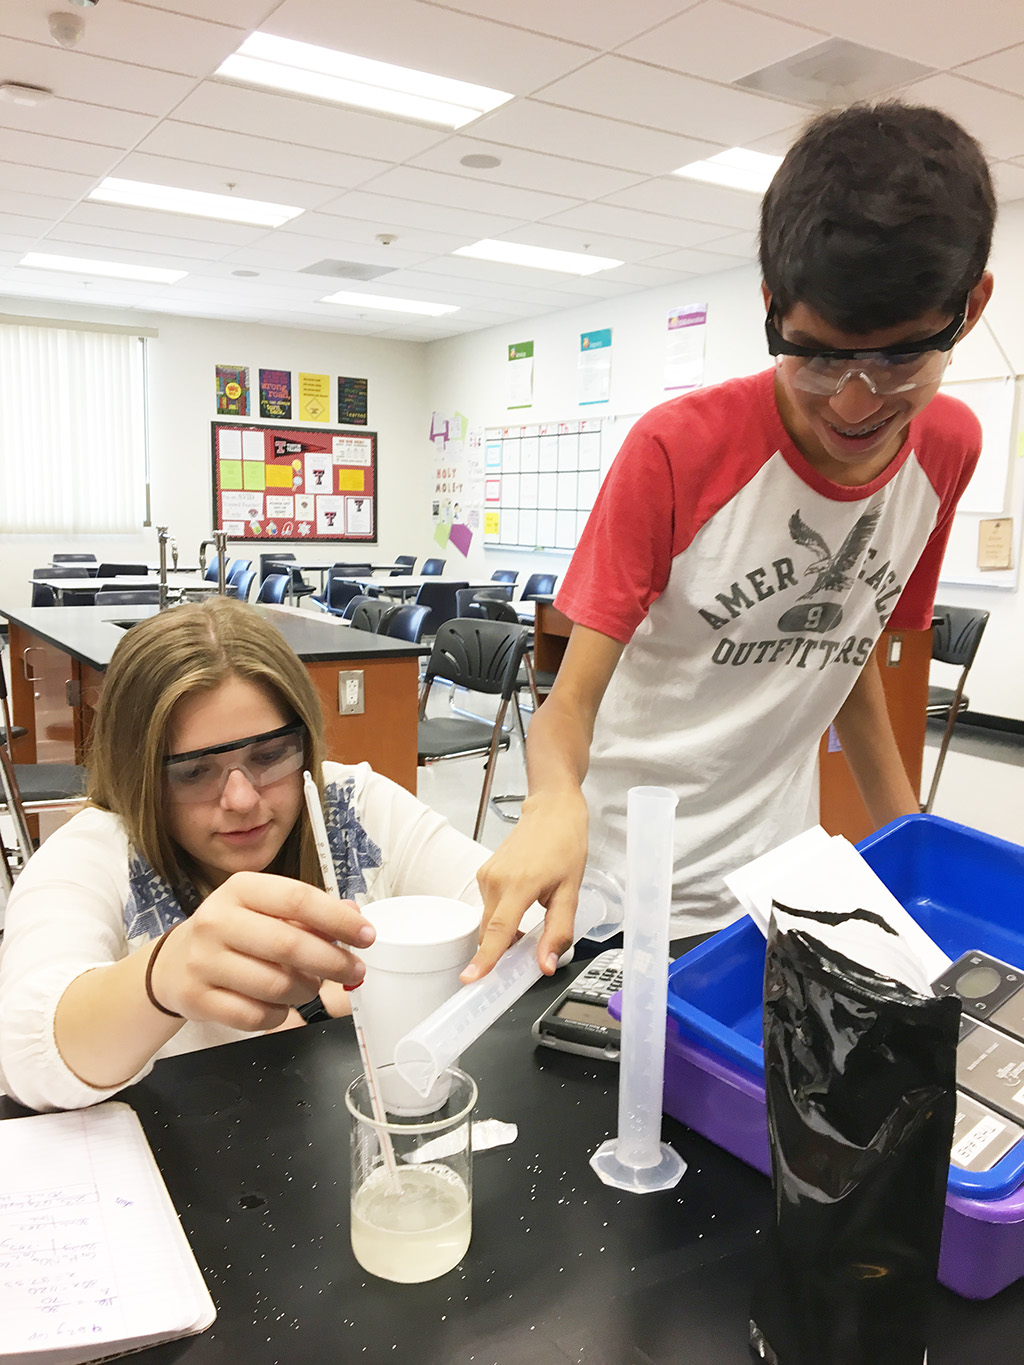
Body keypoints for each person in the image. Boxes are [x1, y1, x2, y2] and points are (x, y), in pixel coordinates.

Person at [465, 100, 997, 982]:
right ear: (771, 307)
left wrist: (910, 844)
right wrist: (553, 797)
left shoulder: (948, 450)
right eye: (820, 357)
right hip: (612, 885)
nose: (857, 404)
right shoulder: (680, 450)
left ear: (969, 310)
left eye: (900, 361)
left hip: (775, 885)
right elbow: (566, 700)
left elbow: (853, 650)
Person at [0, 598, 488, 1112]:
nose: (242, 799)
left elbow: (509, 920)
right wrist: (160, 980)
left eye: (269, 755)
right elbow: (26, 1055)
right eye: (193, 771)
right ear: (138, 772)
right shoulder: (96, 853)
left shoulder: (352, 804)